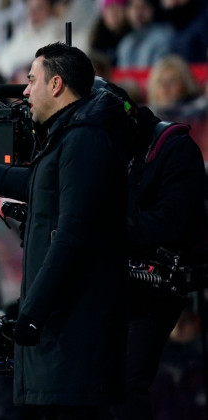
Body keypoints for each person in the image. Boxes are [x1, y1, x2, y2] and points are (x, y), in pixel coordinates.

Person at [0, 42, 129, 418]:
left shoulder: (84, 139)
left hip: (72, 335)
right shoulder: (68, 136)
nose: (25, 91)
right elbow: (36, 185)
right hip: (60, 334)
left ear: (56, 84)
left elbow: (73, 236)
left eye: (31, 80)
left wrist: (33, 312)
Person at [114, 103, 208, 419]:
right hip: (108, 282)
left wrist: (103, 231)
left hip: (159, 283)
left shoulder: (173, 146)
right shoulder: (99, 149)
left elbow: (172, 222)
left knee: (127, 381)